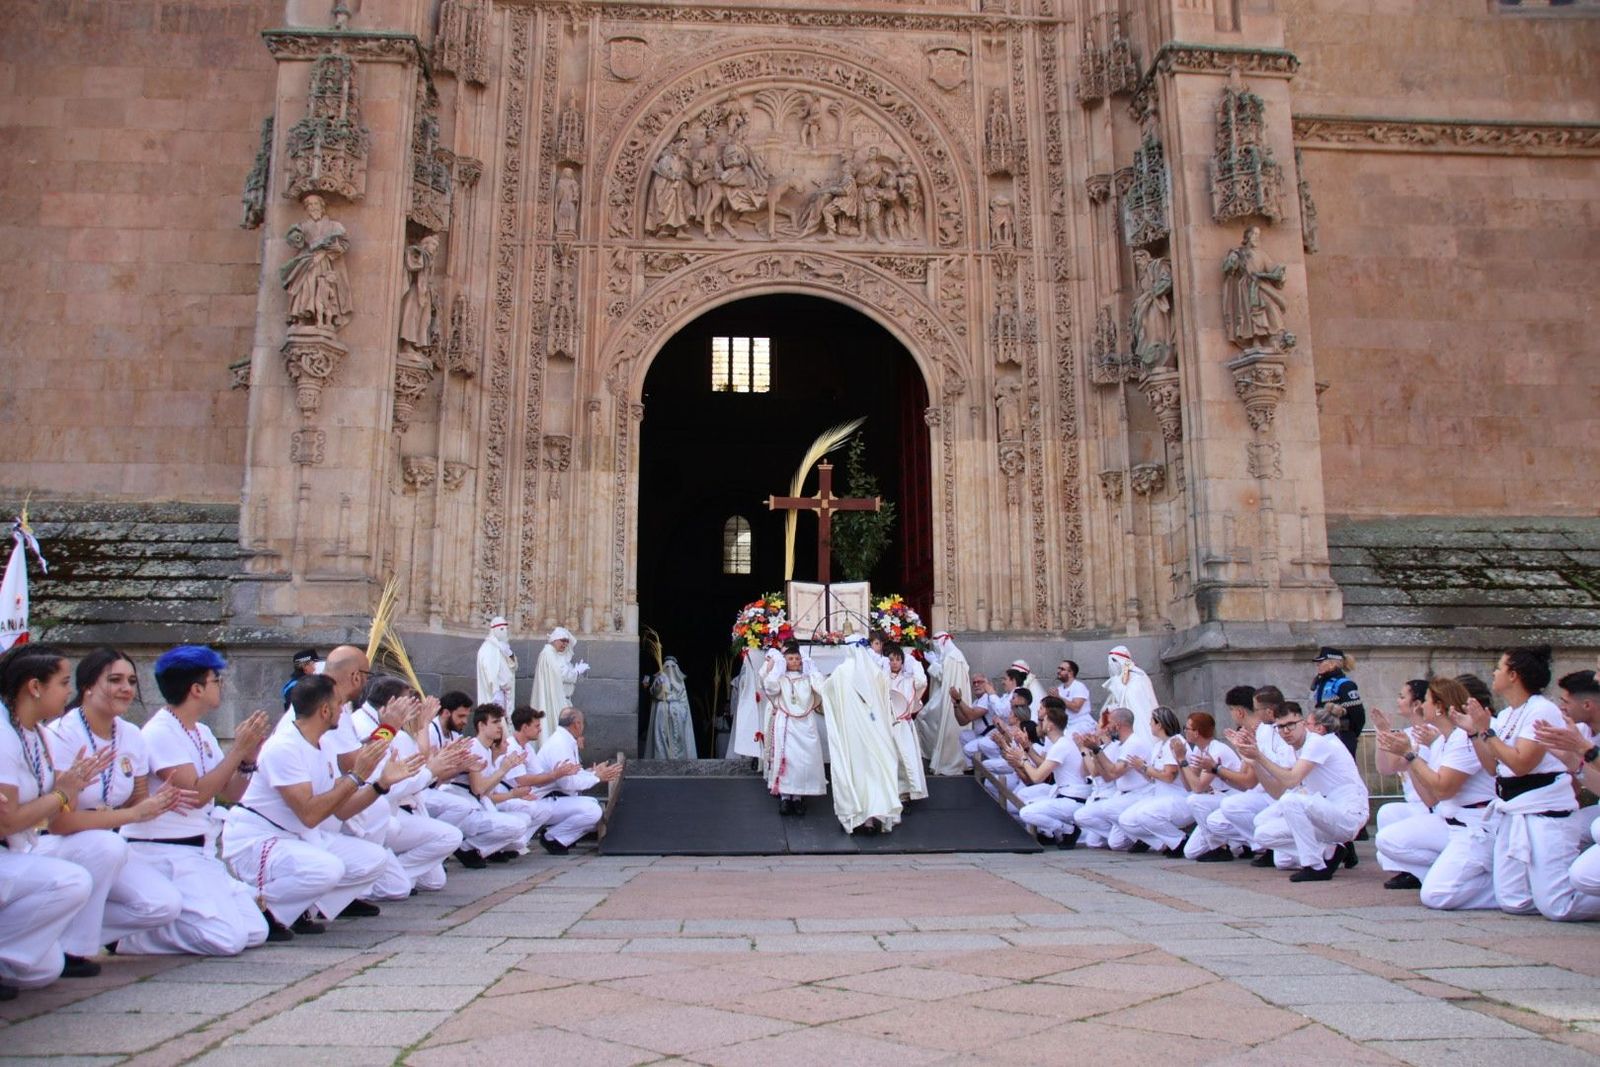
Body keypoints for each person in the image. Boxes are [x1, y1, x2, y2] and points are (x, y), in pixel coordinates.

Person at [221, 675, 417, 939]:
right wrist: (358, 775)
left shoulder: (321, 743)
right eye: (339, 705)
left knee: (375, 859)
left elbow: (341, 808)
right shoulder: (285, 746)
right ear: (325, 710)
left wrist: (381, 784)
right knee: (328, 869)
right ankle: (259, 907)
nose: (343, 710)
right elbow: (311, 814)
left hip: (300, 837)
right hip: (261, 839)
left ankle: (302, 908)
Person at [1444, 646, 1600, 921]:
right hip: (1513, 810)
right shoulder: (1506, 715)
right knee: (1513, 901)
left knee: (1559, 906)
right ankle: (1543, 892)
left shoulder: (1542, 710)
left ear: (1514, 675)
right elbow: (1494, 768)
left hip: (1545, 812)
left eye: (1500, 667)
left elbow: (1521, 763)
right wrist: (1475, 732)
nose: (1494, 672)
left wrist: (1486, 731)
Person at [0, 643, 123, 980]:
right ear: (35, 687)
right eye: (64, 683)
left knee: (45, 970)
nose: (69, 692)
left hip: (20, 848)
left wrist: (70, 786)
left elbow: (51, 798)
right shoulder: (4, 735)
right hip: (8, 848)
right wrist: (61, 794)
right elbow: (6, 821)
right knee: (71, 881)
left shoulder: (36, 733)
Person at [342, 678, 471, 894]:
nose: (413, 708)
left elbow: (416, 766)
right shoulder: (361, 726)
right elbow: (383, 786)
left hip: (398, 809)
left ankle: (394, 871)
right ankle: (372, 881)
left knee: (435, 880)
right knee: (397, 888)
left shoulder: (394, 732)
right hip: (370, 815)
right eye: (408, 703)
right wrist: (432, 770)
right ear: (391, 704)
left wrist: (436, 764)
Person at [1375, 676, 1495, 892]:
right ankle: (1444, 870)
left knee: (1434, 896)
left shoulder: (1462, 738)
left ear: (1439, 707)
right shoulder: (1441, 740)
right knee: (1387, 841)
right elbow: (1430, 798)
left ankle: (1494, 886)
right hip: (1448, 819)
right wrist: (1410, 756)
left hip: (1474, 825)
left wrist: (1410, 755)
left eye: (1427, 700)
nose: (1423, 705)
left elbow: (1442, 789)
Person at [1243, 705, 1370, 882]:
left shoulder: (1319, 741)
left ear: (1303, 723)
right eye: (1280, 727)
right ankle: (1328, 852)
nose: (1285, 731)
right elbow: (1278, 792)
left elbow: (1291, 780)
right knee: (1263, 834)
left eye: (1291, 725)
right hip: (1323, 814)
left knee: (1291, 800)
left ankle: (1315, 866)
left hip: (1347, 814)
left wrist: (1260, 756)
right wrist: (1256, 762)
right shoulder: (1293, 750)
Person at [419, 690, 533, 870]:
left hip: (465, 800)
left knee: (523, 823)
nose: (499, 729)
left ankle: (468, 847)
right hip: (449, 799)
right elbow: (479, 789)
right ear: (481, 725)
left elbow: (485, 792)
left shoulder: (478, 746)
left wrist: (502, 768)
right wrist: (502, 771)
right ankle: (460, 847)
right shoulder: (471, 746)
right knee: (516, 825)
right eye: (495, 722)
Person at [818, 639, 904, 834]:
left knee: (857, 772)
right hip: (875, 731)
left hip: (853, 734)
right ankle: (872, 818)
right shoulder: (876, 672)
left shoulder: (841, 672)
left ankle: (858, 815)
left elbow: (826, 691)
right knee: (875, 771)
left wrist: (815, 676)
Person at [1207, 685, 1294, 865]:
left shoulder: (1278, 732)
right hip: (1268, 792)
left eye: (1257, 709)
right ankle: (1264, 845)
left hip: (1284, 792)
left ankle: (1271, 846)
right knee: (1218, 819)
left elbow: (1251, 780)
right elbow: (1248, 779)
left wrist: (1217, 768)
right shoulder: (1261, 731)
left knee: (1283, 860)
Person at [527, 708, 621, 853]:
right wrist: (597, 778)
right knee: (593, 811)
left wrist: (593, 772)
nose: (582, 727)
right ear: (577, 724)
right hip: (543, 800)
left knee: (595, 807)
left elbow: (573, 774)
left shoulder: (565, 741)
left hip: (556, 798)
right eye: (582, 723)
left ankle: (559, 836)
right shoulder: (559, 744)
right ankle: (553, 837)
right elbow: (567, 783)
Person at [1118, 706, 1200, 856]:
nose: (1149, 725)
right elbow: (1152, 777)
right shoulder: (1158, 746)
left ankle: (1179, 841)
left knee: (1144, 814)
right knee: (1125, 820)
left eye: (1151, 722)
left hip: (1178, 797)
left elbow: (1169, 776)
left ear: (1159, 724)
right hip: (1160, 796)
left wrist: (1145, 767)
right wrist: (1140, 768)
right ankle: (1164, 843)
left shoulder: (1175, 743)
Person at [1013, 697, 1091, 847]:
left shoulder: (1061, 745)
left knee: (1026, 812)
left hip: (1073, 799)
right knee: (1028, 801)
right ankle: (1059, 831)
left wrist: (1022, 759)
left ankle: (1066, 829)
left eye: (1044, 721)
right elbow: (1044, 766)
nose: (1040, 724)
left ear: (1050, 727)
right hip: (1066, 794)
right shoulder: (1061, 743)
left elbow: (1037, 777)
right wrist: (1027, 748)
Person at [1073, 707, 1154, 849]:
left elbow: (1114, 771)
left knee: (1108, 808)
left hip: (1139, 793)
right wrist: (1094, 751)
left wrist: (1096, 750)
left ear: (1118, 725)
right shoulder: (1123, 744)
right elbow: (1108, 776)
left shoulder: (1134, 743)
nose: (1107, 726)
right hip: (1123, 794)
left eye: (1109, 722)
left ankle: (1148, 839)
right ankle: (1138, 837)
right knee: (1114, 843)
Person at [760, 642, 826, 815]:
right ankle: (784, 797)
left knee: (803, 760)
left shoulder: (806, 677)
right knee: (787, 759)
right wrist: (776, 670)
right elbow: (770, 688)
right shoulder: (781, 678)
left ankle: (798, 797)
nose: (794, 661)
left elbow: (822, 688)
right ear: (785, 660)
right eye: (790, 658)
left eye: (797, 658)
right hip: (787, 723)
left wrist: (813, 671)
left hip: (805, 724)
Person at [1177, 710, 1245, 861]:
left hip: (1232, 796)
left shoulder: (1216, 749)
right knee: (1190, 852)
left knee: (1194, 800)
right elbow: (1188, 785)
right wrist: (1180, 760)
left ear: (1197, 732)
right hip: (1218, 797)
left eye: (1187, 728)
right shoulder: (1198, 750)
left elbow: (1198, 787)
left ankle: (1220, 847)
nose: (1185, 732)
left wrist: (1183, 759)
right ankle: (1235, 844)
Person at [918, 632, 970, 777]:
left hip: (947, 698)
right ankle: (932, 754)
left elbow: (945, 677)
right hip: (942, 695)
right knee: (923, 717)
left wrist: (933, 663)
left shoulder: (953, 656)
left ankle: (943, 759)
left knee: (924, 717)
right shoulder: (948, 655)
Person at [884, 644, 929, 802]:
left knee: (907, 758)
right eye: (891, 660)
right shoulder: (883, 679)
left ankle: (908, 793)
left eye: (898, 659)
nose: (895, 663)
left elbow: (921, 682)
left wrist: (914, 663)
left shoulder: (908, 680)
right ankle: (894, 792)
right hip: (888, 725)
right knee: (892, 758)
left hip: (903, 725)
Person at [1310, 646, 1366, 759]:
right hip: (1323, 734)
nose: (1318, 665)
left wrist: (1351, 735)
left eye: (1321, 662)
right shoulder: (1320, 684)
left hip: (1342, 735)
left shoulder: (1345, 684)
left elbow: (1358, 714)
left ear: (1332, 663)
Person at [644, 656, 697, 760]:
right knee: (661, 736)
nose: (670, 669)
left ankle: (677, 759)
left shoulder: (680, 682)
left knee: (678, 737)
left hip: (676, 711)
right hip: (662, 709)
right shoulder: (660, 678)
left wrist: (682, 712)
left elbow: (684, 700)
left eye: (672, 666)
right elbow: (654, 693)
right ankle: (661, 759)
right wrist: (660, 685)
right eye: (667, 666)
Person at [1102, 646, 1158, 740]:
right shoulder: (1121, 680)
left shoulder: (1138, 677)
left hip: (1141, 721)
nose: (1112, 665)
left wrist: (1116, 684)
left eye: (1114, 661)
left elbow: (1134, 700)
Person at [531, 627, 587, 718]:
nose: (565, 644)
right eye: (562, 640)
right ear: (554, 639)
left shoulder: (555, 655)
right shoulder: (548, 654)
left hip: (562, 699)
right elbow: (560, 674)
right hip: (555, 700)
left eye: (567, 642)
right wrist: (575, 672)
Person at [476, 617, 517, 710]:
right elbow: (489, 670)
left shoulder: (503, 646)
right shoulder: (488, 647)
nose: (505, 632)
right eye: (501, 629)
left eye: (506, 629)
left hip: (507, 692)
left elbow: (513, 667)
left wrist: (510, 655)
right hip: (496, 692)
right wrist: (496, 689)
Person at [1055, 659, 1093, 737]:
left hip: (1081, 723)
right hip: (1066, 725)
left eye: (1062, 669)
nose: (1058, 671)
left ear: (1071, 673)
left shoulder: (1079, 686)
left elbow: (1076, 708)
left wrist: (1058, 697)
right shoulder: (1059, 689)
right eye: (1058, 668)